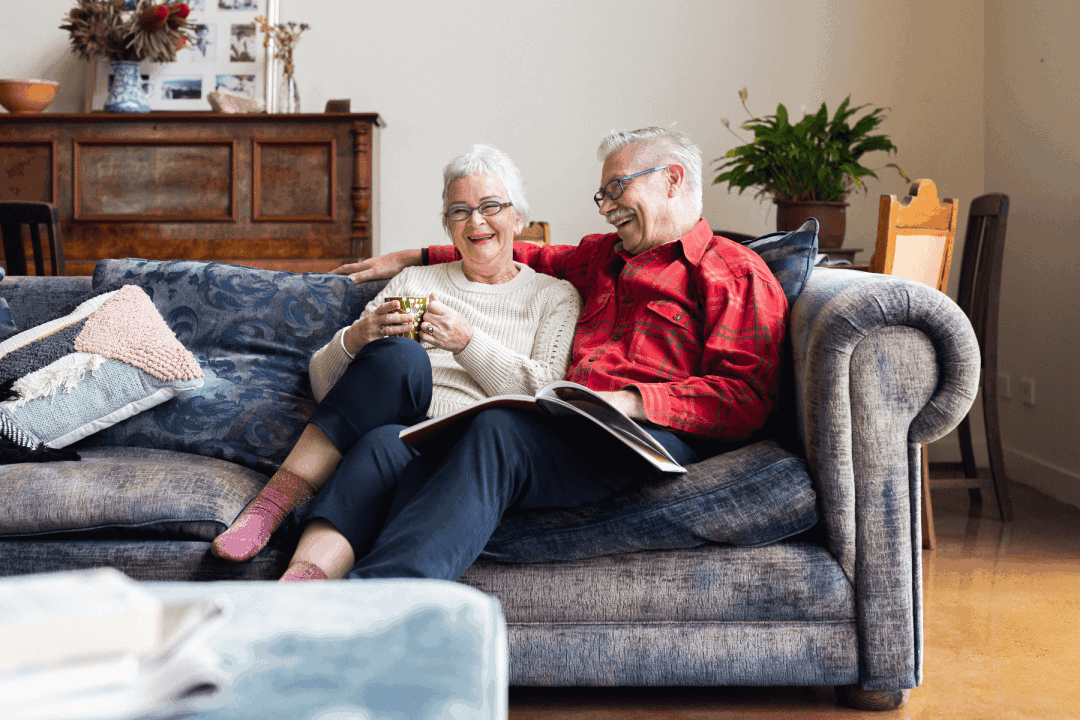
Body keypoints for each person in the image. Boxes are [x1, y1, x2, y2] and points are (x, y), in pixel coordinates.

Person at [301, 127, 790, 583]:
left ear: (671, 180)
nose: (607, 208)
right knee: (399, 446)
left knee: (498, 432)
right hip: (570, 423)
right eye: (603, 196)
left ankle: (381, 602)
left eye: (617, 188)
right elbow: (509, 248)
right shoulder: (604, 255)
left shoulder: (733, 271)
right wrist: (413, 256)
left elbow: (747, 397)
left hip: (644, 434)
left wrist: (629, 401)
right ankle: (325, 586)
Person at [209, 144, 582, 579]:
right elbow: (327, 388)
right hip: (406, 426)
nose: (476, 221)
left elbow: (548, 392)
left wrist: (467, 343)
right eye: (459, 211)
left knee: (381, 443)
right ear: (447, 225)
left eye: (490, 206)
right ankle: (283, 548)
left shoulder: (553, 295)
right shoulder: (414, 280)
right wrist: (356, 337)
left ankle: (301, 570)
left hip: (478, 448)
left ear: (518, 217)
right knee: (394, 382)